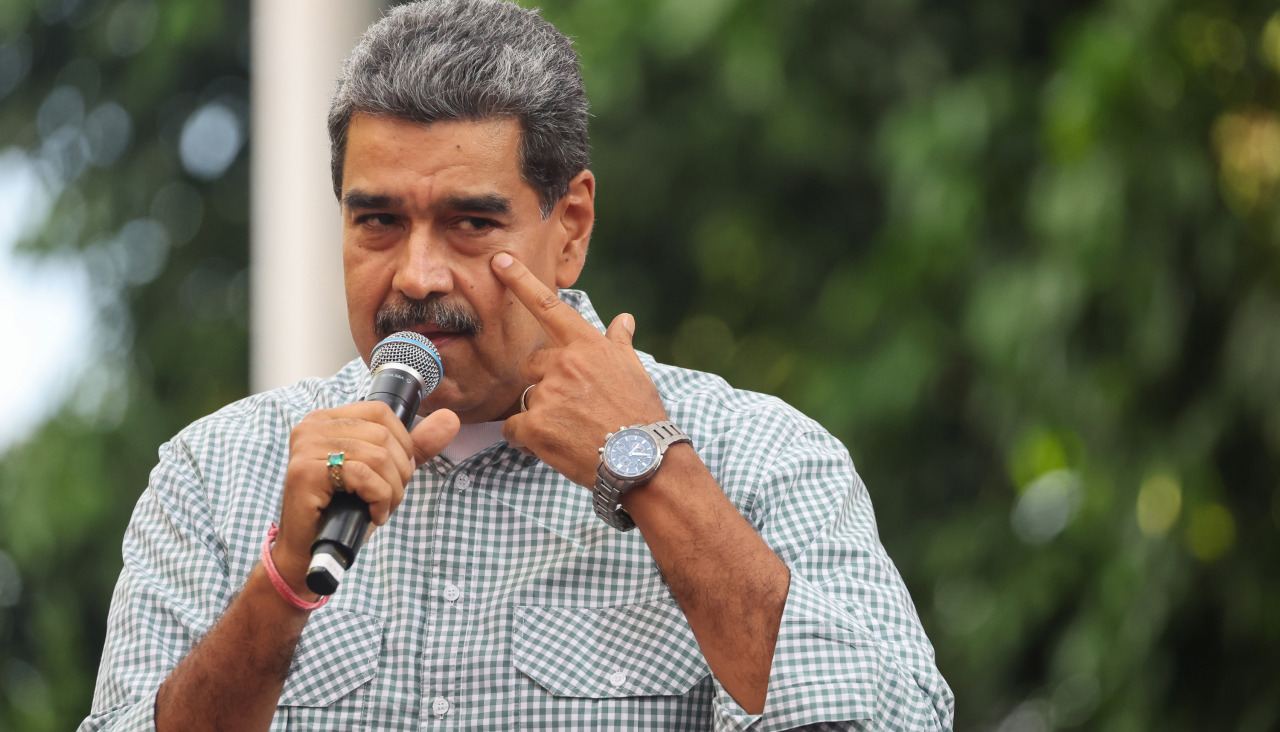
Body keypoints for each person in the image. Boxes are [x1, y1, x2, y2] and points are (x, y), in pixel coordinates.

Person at [80, 1, 954, 729]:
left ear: (570, 227)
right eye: (378, 222)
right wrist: (279, 586)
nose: (417, 275)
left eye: (471, 223)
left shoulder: (760, 458)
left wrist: (653, 471)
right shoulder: (216, 476)